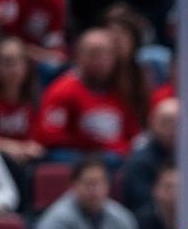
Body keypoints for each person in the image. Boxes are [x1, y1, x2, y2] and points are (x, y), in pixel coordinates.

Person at [34, 28, 143, 162]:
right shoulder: (62, 90)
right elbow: (49, 136)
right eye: (95, 54)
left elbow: (133, 135)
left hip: (115, 159)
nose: (102, 60)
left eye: (107, 54)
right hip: (76, 160)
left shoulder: (121, 91)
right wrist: (92, 144)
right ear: (79, 56)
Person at [0, 36, 45, 169]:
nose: (13, 69)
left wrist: (28, 148)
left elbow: (40, 135)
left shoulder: (36, 97)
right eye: (7, 62)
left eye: (18, 62)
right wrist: (10, 147)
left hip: (27, 158)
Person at [119, 96, 178, 211]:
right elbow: (141, 204)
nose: (172, 129)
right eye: (166, 122)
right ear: (152, 122)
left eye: (177, 124)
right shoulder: (139, 162)